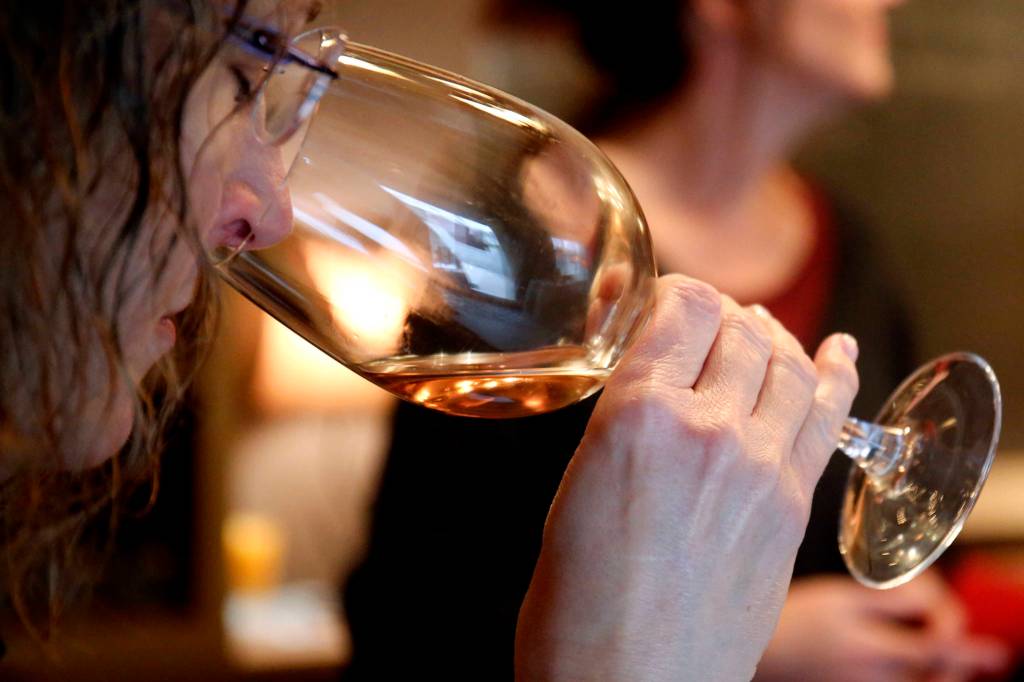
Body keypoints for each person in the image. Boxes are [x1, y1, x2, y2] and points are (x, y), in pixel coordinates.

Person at [1, 1, 860, 678]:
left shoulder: (854, 244)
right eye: (235, 75)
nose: (268, 214)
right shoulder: (533, 232)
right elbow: (407, 617)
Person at [343, 0, 1010, 679]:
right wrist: (763, 646)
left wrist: (927, 635)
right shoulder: (519, 247)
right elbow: (410, 618)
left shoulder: (851, 246)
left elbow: (906, 549)